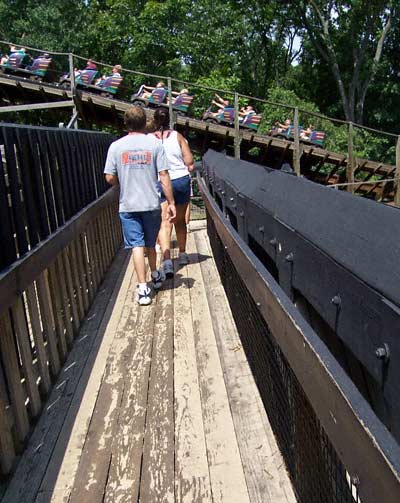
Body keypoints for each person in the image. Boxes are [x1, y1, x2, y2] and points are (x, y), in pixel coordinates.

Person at [104, 105, 176, 305]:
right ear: (145, 123)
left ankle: (142, 288)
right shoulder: (154, 145)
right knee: (150, 243)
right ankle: (155, 274)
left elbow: (109, 177)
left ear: (125, 124)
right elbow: (164, 176)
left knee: (136, 245)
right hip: (151, 203)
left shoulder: (116, 146)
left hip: (128, 205)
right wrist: (170, 202)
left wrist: (124, 178)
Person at [151, 107, 194, 278]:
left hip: (161, 182)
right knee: (180, 220)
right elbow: (189, 161)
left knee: (164, 223)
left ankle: (167, 261)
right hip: (180, 180)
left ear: (154, 121)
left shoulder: (149, 139)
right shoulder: (178, 136)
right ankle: (183, 254)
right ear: (169, 120)